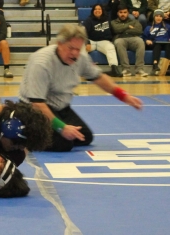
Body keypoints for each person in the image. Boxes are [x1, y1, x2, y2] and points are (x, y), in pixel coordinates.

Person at [18, 24, 143, 152]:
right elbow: (37, 104)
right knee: (64, 143)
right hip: (33, 110)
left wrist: (123, 95)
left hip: (59, 107)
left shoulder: (80, 58)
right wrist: (61, 128)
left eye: (78, 49)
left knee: (85, 137)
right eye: (71, 48)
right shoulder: (42, 63)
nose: (74, 53)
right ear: (59, 44)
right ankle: (26, 135)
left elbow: (98, 77)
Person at [83, 3, 123, 77]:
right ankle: (84, 70)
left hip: (104, 41)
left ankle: (114, 69)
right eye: (95, 9)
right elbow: (83, 32)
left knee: (110, 47)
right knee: (82, 47)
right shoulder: (88, 20)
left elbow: (112, 31)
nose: (97, 11)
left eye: (99, 9)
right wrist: (87, 42)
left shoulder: (107, 18)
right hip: (92, 41)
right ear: (93, 11)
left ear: (102, 10)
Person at [111, 5, 148, 77]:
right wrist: (128, 26)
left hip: (133, 38)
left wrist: (123, 29)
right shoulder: (113, 22)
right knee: (118, 42)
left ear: (128, 13)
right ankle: (126, 69)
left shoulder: (134, 21)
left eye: (125, 12)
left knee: (140, 41)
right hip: (120, 38)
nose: (123, 14)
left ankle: (139, 70)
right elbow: (116, 29)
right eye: (121, 12)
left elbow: (138, 30)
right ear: (117, 13)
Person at [143, 9, 170, 75]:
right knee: (157, 46)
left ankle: (168, 66)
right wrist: (146, 40)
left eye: (160, 16)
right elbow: (144, 37)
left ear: (162, 18)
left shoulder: (167, 26)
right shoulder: (148, 27)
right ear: (154, 17)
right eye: (157, 16)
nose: (158, 18)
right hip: (155, 43)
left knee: (168, 46)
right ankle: (155, 65)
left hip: (166, 42)